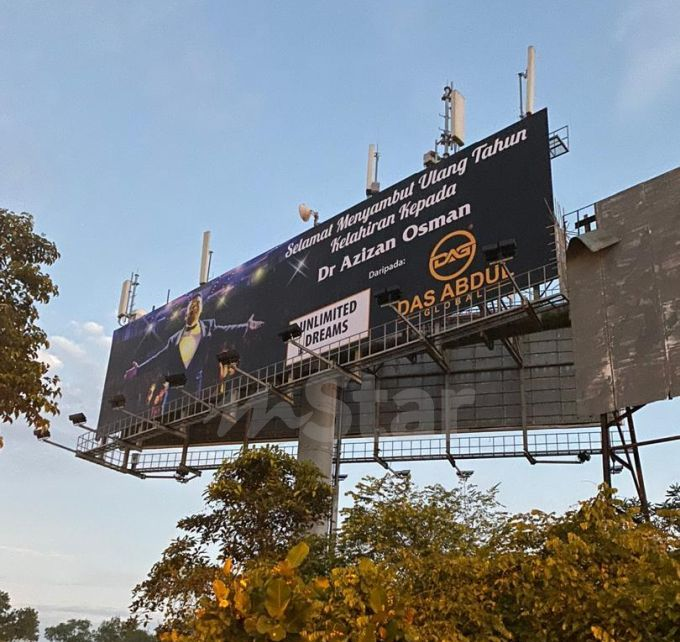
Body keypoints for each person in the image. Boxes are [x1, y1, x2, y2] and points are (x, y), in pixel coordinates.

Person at [124, 293, 264, 391]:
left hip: (194, 389)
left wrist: (246, 327)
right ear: (186, 312)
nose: (194, 308)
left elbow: (226, 330)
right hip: (174, 389)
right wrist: (139, 369)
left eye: (198, 305)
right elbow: (159, 358)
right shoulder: (174, 340)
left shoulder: (208, 328)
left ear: (201, 309)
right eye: (192, 305)